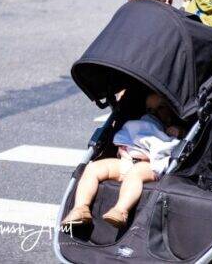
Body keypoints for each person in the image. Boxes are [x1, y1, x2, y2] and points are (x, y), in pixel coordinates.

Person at [61, 93, 182, 229]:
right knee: (93, 168)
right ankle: (80, 208)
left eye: (160, 108)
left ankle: (121, 210)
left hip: (148, 165)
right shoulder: (138, 124)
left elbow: (169, 149)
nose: (153, 113)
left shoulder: (171, 129)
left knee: (135, 173)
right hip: (125, 160)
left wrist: (176, 132)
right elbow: (127, 136)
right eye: (149, 109)